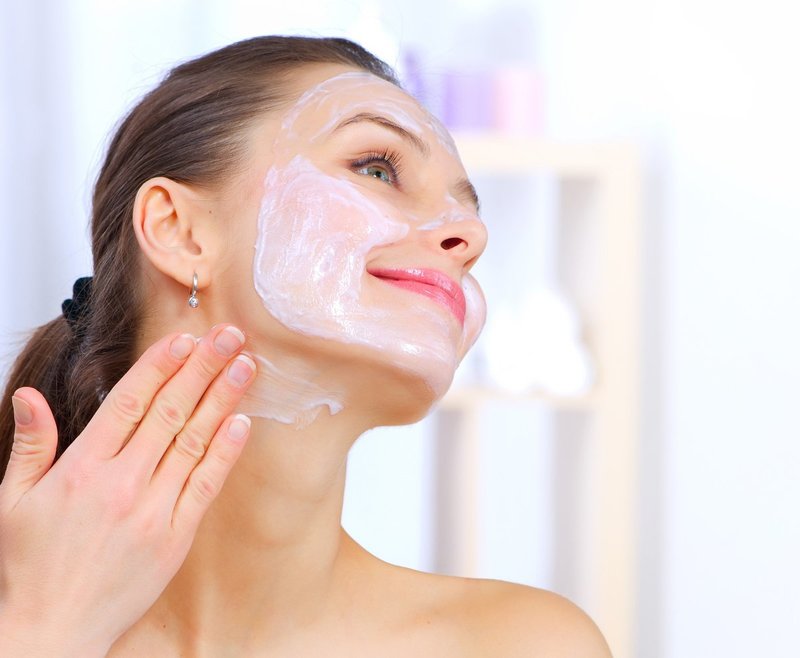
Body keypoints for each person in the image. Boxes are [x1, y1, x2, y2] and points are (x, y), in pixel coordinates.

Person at [0, 36, 611, 656]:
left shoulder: (524, 643)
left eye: (466, 207)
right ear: (180, 231)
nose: (470, 234)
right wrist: (43, 632)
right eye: (377, 168)